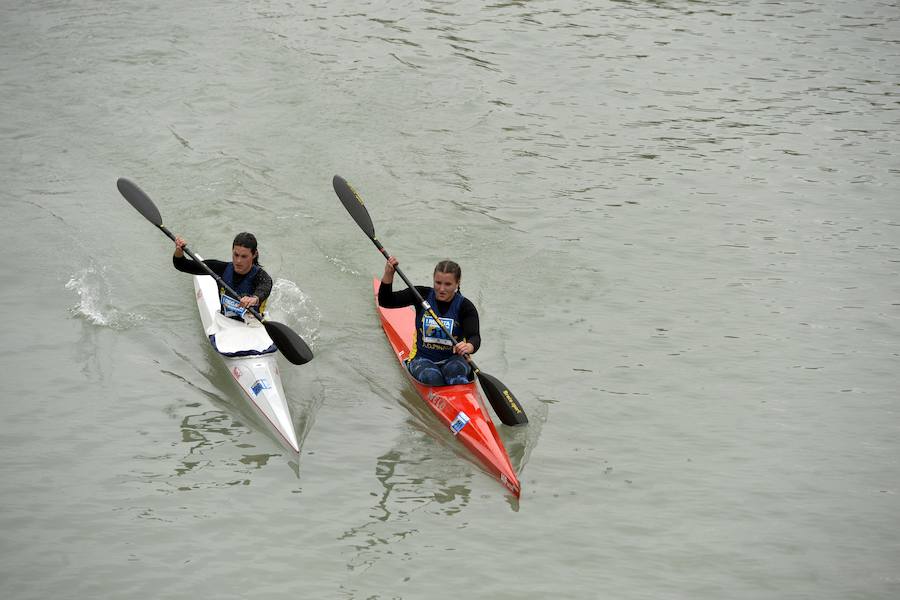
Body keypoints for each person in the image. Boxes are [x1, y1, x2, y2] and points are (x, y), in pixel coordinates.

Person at [378, 256, 480, 386]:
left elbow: (475, 337)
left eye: (448, 284)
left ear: (457, 283)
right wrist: (389, 273)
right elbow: (385, 301)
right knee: (432, 377)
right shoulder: (421, 295)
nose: (442, 289)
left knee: (457, 374)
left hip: (454, 361)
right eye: (438, 283)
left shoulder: (465, 307)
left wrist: (468, 346)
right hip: (422, 359)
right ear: (433, 279)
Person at [172, 232, 273, 321]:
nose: (238, 261)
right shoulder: (221, 269)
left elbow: (264, 288)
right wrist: (179, 250)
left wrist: (254, 299)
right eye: (236, 254)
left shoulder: (261, 277)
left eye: (244, 256)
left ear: (254, 254)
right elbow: (182, 265)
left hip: (253, 324)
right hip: (225, 323)